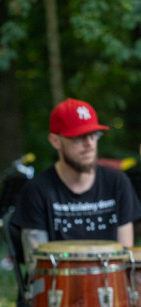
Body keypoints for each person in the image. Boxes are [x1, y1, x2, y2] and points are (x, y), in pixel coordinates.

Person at [12, 98, 141, 275]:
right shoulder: (37, 190)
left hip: (110, 290)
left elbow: (125, 257)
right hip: (59, 292)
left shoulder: (117, 183)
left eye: (93, 135)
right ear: (55, 141)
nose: (89, 143)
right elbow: (37, 268)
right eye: (78, 137)